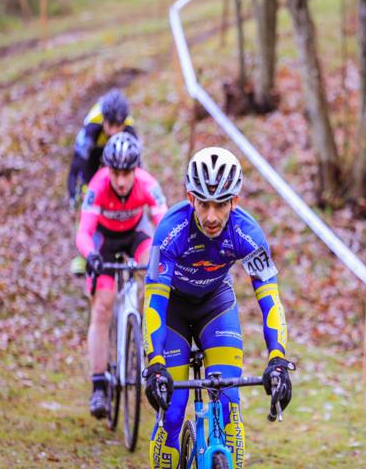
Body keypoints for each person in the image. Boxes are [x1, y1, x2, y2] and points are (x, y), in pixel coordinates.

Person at [141, 146, 294, 468]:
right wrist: (155, 363)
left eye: (220, 204)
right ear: (190, 197)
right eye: (203, 203)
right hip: (173, 313)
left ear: (234, 201)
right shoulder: (171, 231)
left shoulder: (247, 234)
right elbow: (154, 302)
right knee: (172, 412)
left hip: (216, 306)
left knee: (230, 408)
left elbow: (271, 300)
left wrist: (278, 358)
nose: (211, 216)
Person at [75, 131, 168, 418]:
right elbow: (84, 232)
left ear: (135, 169)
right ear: (108, 170)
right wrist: (90, 255)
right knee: (102, 306)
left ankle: (145, 342)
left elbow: (164, 225)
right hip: (104, 242)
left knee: (155, 272)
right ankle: (99, 384)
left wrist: (164, 256)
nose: (121, 180)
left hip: (135, 236)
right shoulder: (98, 185)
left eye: (127, 172)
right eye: (115, 172)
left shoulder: (148, 184)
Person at [68, 88, 137, 275]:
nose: (115, 131)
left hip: (117, 156)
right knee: (85, 199)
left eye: (118, 126)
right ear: (104, 120)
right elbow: (78, 164)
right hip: (93, 157)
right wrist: (77, 192)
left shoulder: (129, 129)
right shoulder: (92, 126)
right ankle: (82, 255)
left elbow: (137, 166)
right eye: (111, 125)